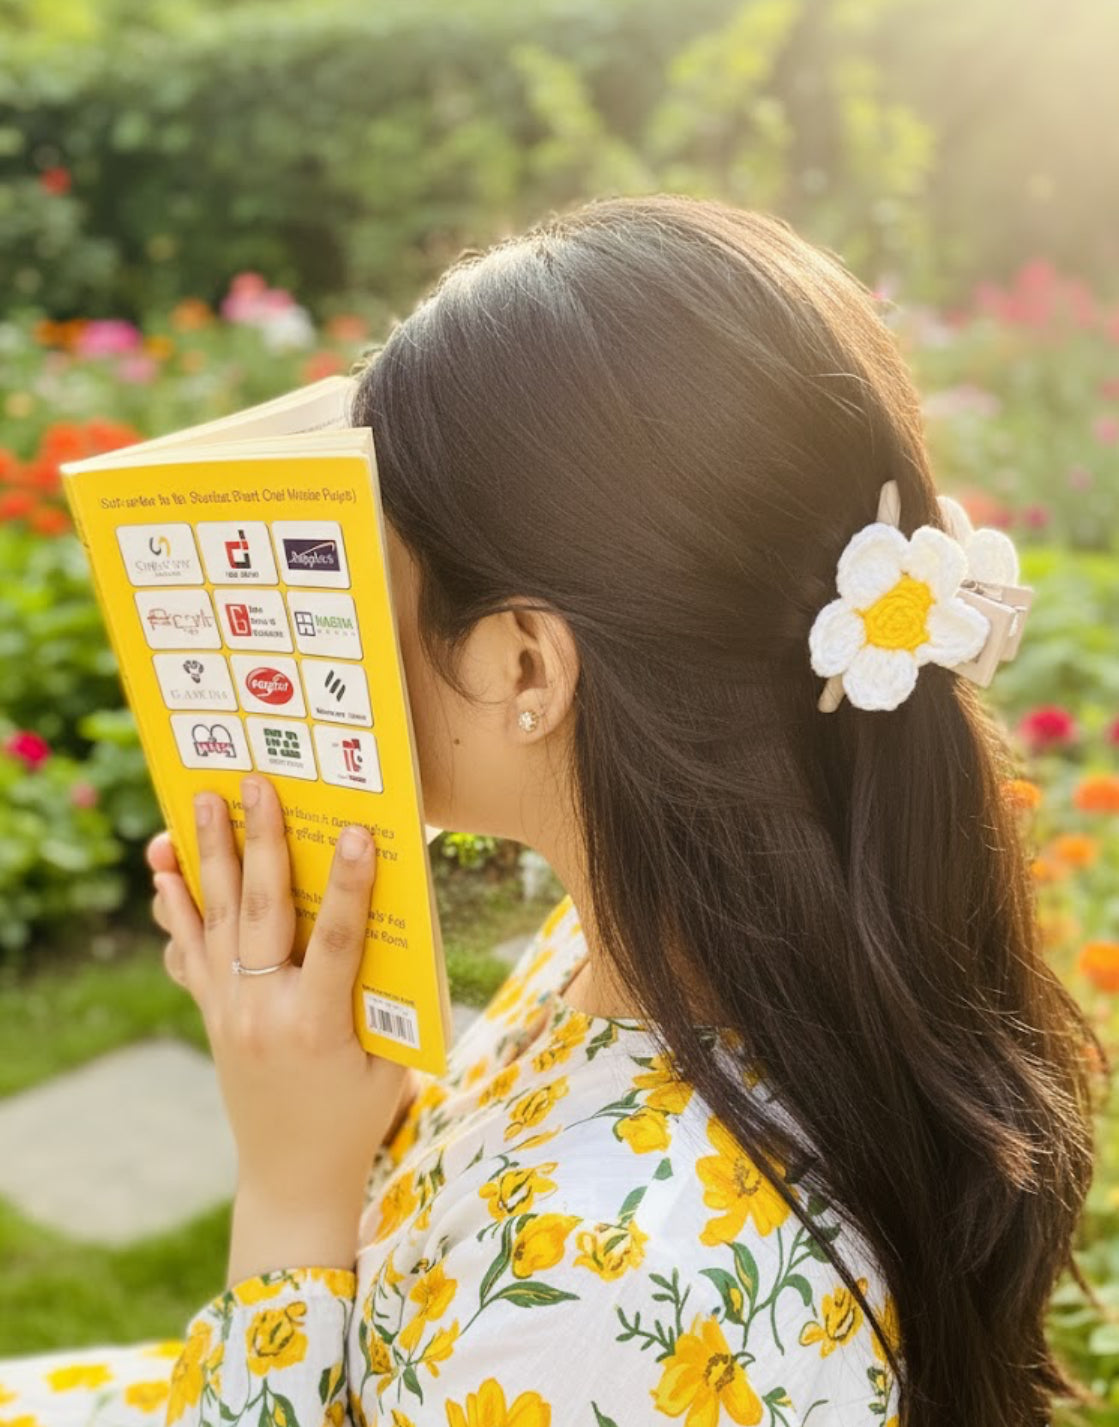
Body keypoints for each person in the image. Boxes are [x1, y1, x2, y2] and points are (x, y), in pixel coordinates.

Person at [0, 193, 1105, 1427]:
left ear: (524, 664)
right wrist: (337, 1095)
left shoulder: (603, 1306)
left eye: (367, 557)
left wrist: (291, 1188)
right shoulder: (668, 946)